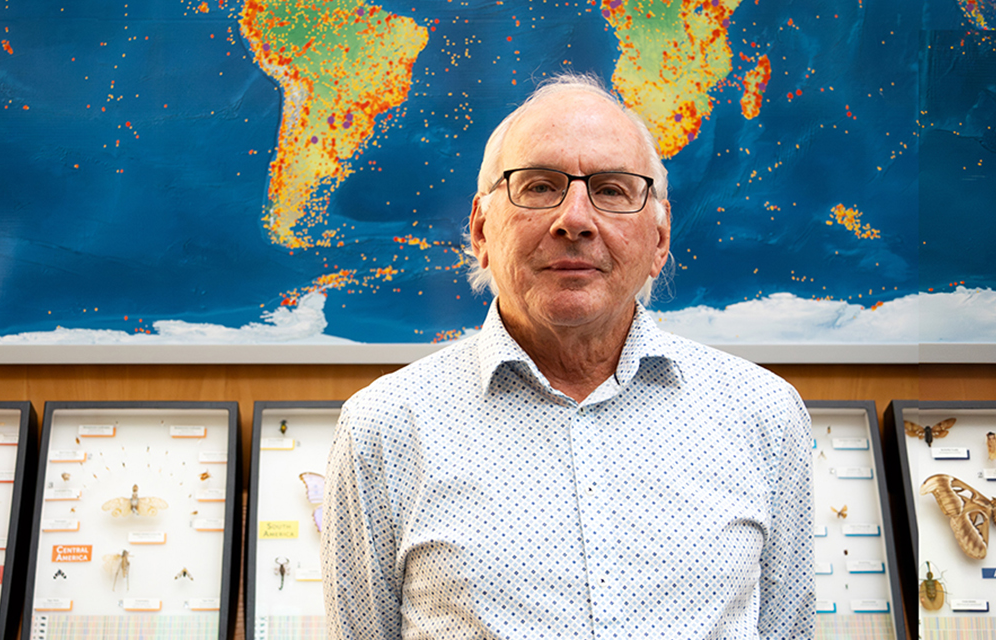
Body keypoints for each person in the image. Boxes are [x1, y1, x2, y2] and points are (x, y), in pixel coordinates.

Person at [321, 73, 814, 639]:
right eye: (538, 186)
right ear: (481, 230)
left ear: (659, 240)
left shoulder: (765, 415)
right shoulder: (383, 427)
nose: (574, 219)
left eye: (610, 190)